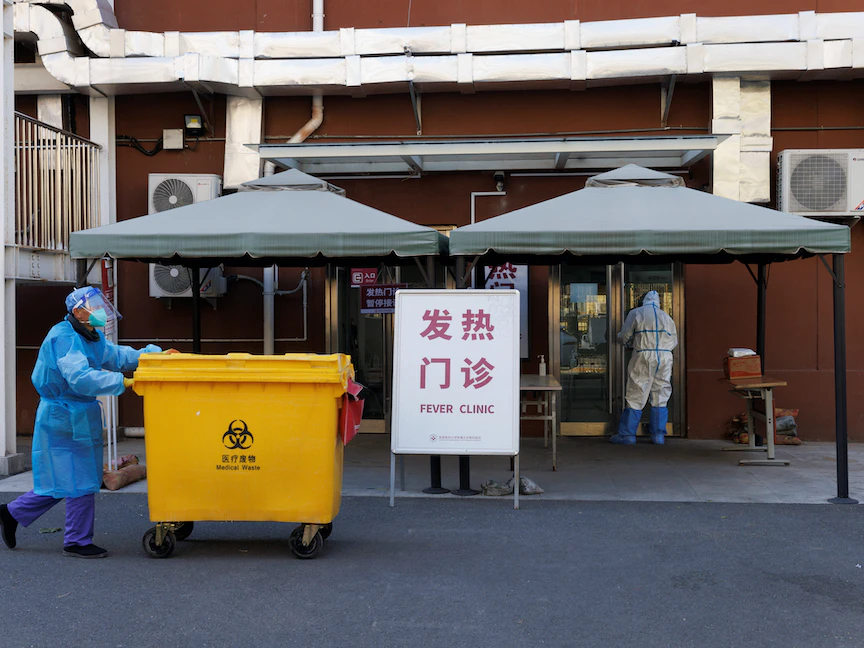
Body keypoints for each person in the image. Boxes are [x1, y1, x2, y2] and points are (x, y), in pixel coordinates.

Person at [0, 286, 166, 558]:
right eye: (95, 307)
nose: (101, 312)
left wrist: (152, 355)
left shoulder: (89, 335)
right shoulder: (64, 337)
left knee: (72, 477)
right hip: (62, 416)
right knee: (76, 478)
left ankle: (12, 513)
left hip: (78, 413)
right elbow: (80, 377)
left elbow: (114, 355)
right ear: (78, 311)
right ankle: (76, 540)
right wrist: (123, 382)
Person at [610, 290, 678, 446]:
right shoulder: (667, 317)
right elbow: (674, 341)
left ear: (643, 301)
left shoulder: (636, 313)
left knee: (636, 391)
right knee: (661, 392)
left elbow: (625, 335)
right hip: (665, 356)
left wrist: (627, 343)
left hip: (643, 354)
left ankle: (627, 435)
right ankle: (658, 435)